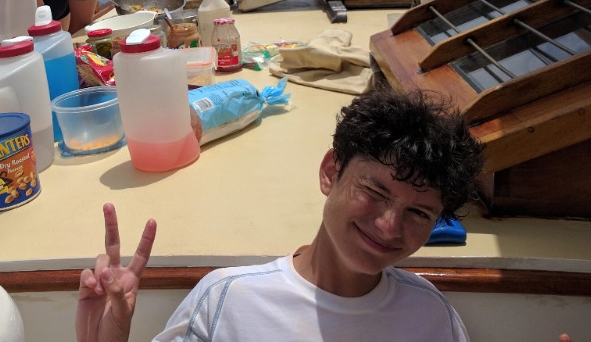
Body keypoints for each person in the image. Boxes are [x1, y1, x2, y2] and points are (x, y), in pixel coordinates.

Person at [76, 84, 486, 341]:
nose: (388, 226)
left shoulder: (432, 318)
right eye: (375, 191)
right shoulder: (227, 302)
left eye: (418, 213)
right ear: (331, 172)